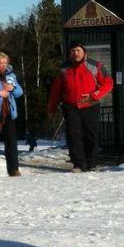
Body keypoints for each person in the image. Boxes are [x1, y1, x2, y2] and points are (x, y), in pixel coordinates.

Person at [47, 41, 113, 172]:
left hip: (90, 106)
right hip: (70, 107)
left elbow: (108, 83)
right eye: (73, 51)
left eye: (78, 50)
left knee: (91, 135)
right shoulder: (64, 69)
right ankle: (78, 164)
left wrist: (94, 95)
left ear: (84, 51)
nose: (75, 53)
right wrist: (51, 108)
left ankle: (91, 163)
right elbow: (56, 90)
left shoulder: (95, 66)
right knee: (74, 135)